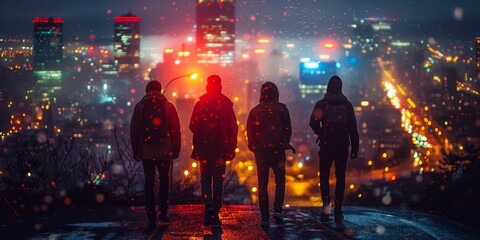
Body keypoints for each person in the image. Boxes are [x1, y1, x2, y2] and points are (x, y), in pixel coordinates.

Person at [309, 75, 359, 223]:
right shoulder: (347, 105)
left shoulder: (322, 104)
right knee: (340, 177)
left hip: (326, 145)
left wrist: (321, 133)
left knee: (324, 175)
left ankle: (326, 208)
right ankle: (338, 210)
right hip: (342, 146)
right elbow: (352, 128)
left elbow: (312, 122)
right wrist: (355, 147)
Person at [190, 75, 238, 227]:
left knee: (205, 178)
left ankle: (208, 206)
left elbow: (192, 125)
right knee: (218, 180)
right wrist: (231, 147)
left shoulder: (200, 104)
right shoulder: (226, 105)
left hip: (204, 148)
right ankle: (216, 209)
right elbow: (233, 128)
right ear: (221, 87)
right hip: (221, 149)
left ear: (207, 87)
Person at [130, 80, 181, 225]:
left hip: (146, 151)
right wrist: (176, 149)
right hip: (165, 150)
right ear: (159, 90)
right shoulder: (168, 106)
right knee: (164, 180)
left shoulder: (140, 106)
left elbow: (134, 130)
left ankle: (150, 213)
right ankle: (163, 212)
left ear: (147, 91)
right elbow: (175, 130)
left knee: (149, 181)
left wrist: (136, 150)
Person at [247, 82, 293, 228]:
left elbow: (250, 132)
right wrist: (283, 142)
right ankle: (278, 210)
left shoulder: (255, 110)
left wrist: (254, 146)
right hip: (278, 150)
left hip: (261, 152)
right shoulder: (282, 109)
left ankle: (265, 217)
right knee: (280, 181)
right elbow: (288, 129)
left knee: (262, 183)